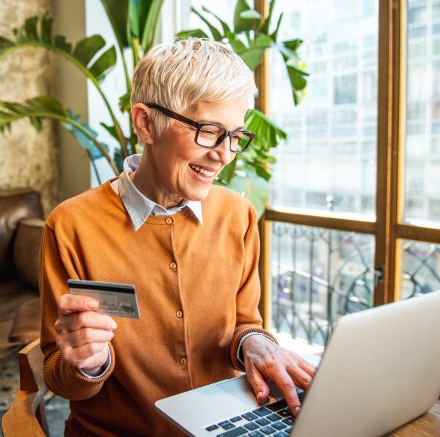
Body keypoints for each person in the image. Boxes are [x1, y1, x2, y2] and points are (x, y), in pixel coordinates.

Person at [40, 39, 316, 436]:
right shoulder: (71, 226)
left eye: (236, 136)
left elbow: (243, 324)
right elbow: (59, 376)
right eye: (209, 131)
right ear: (145, 124)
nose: (224, 154)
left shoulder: (238, 215)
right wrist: (88, 363)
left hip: (226, 427)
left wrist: (255, 343)